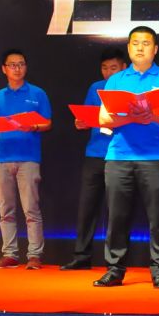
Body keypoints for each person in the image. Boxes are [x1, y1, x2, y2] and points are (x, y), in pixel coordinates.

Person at [93, 26, 159, 289]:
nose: (140, 47)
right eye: (135, 43)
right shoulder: (116, 80)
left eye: (146, 43)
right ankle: (115, 269)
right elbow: (103, 119)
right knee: (117, 216)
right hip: (119, 156)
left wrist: (151, 115)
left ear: (155, 49)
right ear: (129, 48)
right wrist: (131, 117)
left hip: (155, 157)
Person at [0, 49, 52, 270]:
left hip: (28, 158)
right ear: (4, 69)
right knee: (6, 209)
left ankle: (34, 255)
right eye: (12, 65)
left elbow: (47, 123)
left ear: (26, 67)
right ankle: (10, 254)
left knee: (31, 208)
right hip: (2, 158)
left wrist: (33, 126)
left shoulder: (38, 93)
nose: (17, 68)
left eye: (21, 64)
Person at [62, 47, 127, 271]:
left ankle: (114, 260)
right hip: (94, 153)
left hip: (119, 155)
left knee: (116, 210)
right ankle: (81, 256)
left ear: (124, 68)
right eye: (105, 68)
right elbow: (86, 116)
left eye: (113, 68)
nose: (108, 72)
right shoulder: (95, 88)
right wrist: (81, 122)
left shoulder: (128, 89)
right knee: (87, 206)